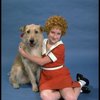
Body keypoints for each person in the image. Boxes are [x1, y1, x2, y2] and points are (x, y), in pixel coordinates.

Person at [19, 15, 90, 100]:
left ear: (61, 34)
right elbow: (31, 43)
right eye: (52, 32)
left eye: (58, 33)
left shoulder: (60, 47)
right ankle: (63, 92)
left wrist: (24, 54)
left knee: (71, 98)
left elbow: (42, 62)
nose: (55, 36)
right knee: (45, 96)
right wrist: (23, 43)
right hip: (46, 77)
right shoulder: (44, 42)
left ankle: (80, 83)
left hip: (60, 75)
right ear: (48, 32)